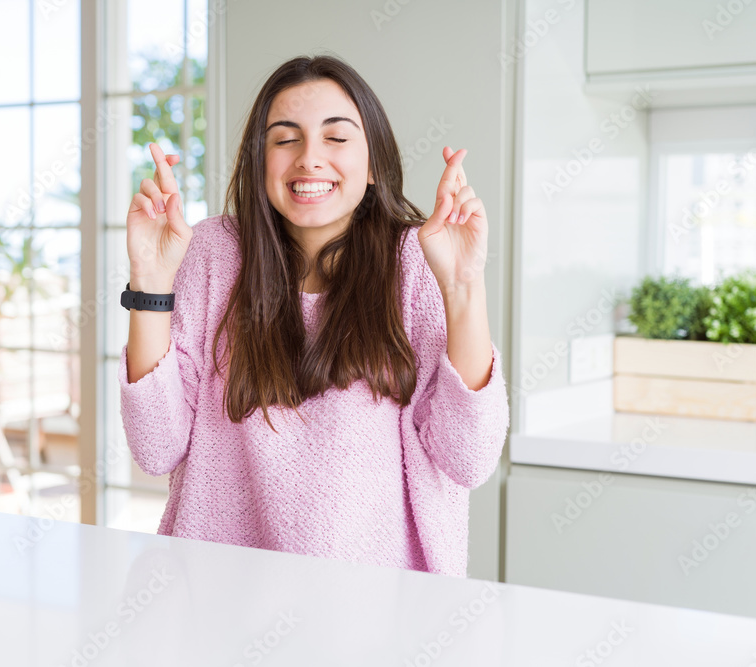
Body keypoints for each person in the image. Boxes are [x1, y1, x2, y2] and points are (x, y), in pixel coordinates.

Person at [118, 54, 509, 577]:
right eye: (285, 139)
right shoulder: (211, 253)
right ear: (260, 162)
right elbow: (155, 447)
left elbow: (469, 458)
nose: (309, 158)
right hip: (217, 603)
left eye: (337, 138)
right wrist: (150, 280)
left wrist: (463, 286)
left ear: (373, 164)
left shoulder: (417, 260)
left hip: (381, 618)